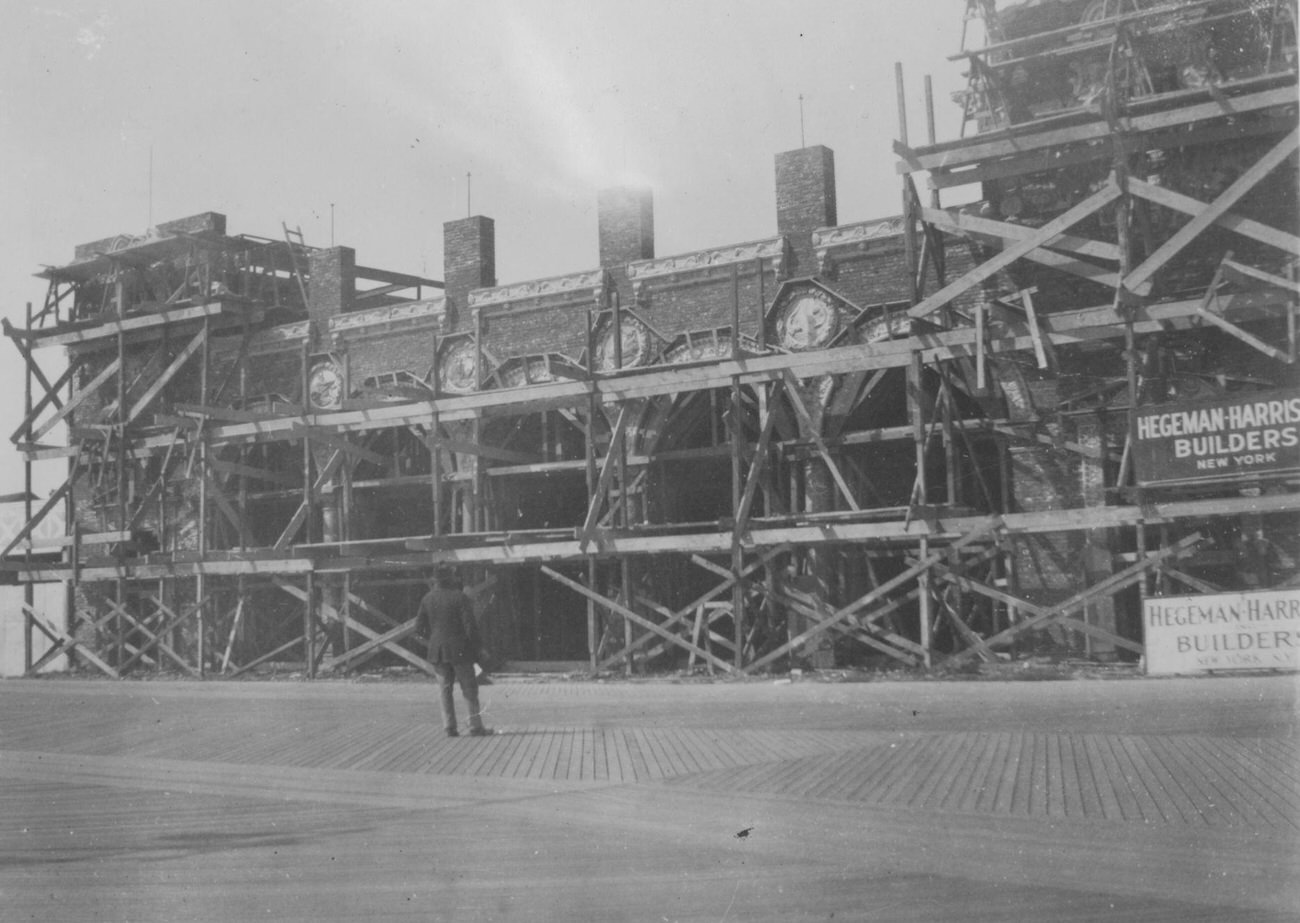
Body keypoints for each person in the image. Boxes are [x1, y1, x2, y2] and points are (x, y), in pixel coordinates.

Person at [417, 568, 491, 737]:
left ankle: (449, 727)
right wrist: (479, 648)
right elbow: (470, 627)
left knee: (444, 689)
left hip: (438, 651)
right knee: (469, 688)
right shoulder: (460, 597)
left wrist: (434, 639)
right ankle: (475, 727)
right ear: (451, 579)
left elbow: (418, 628)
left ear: (435, 580)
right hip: (460, 651)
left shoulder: (427, 598)